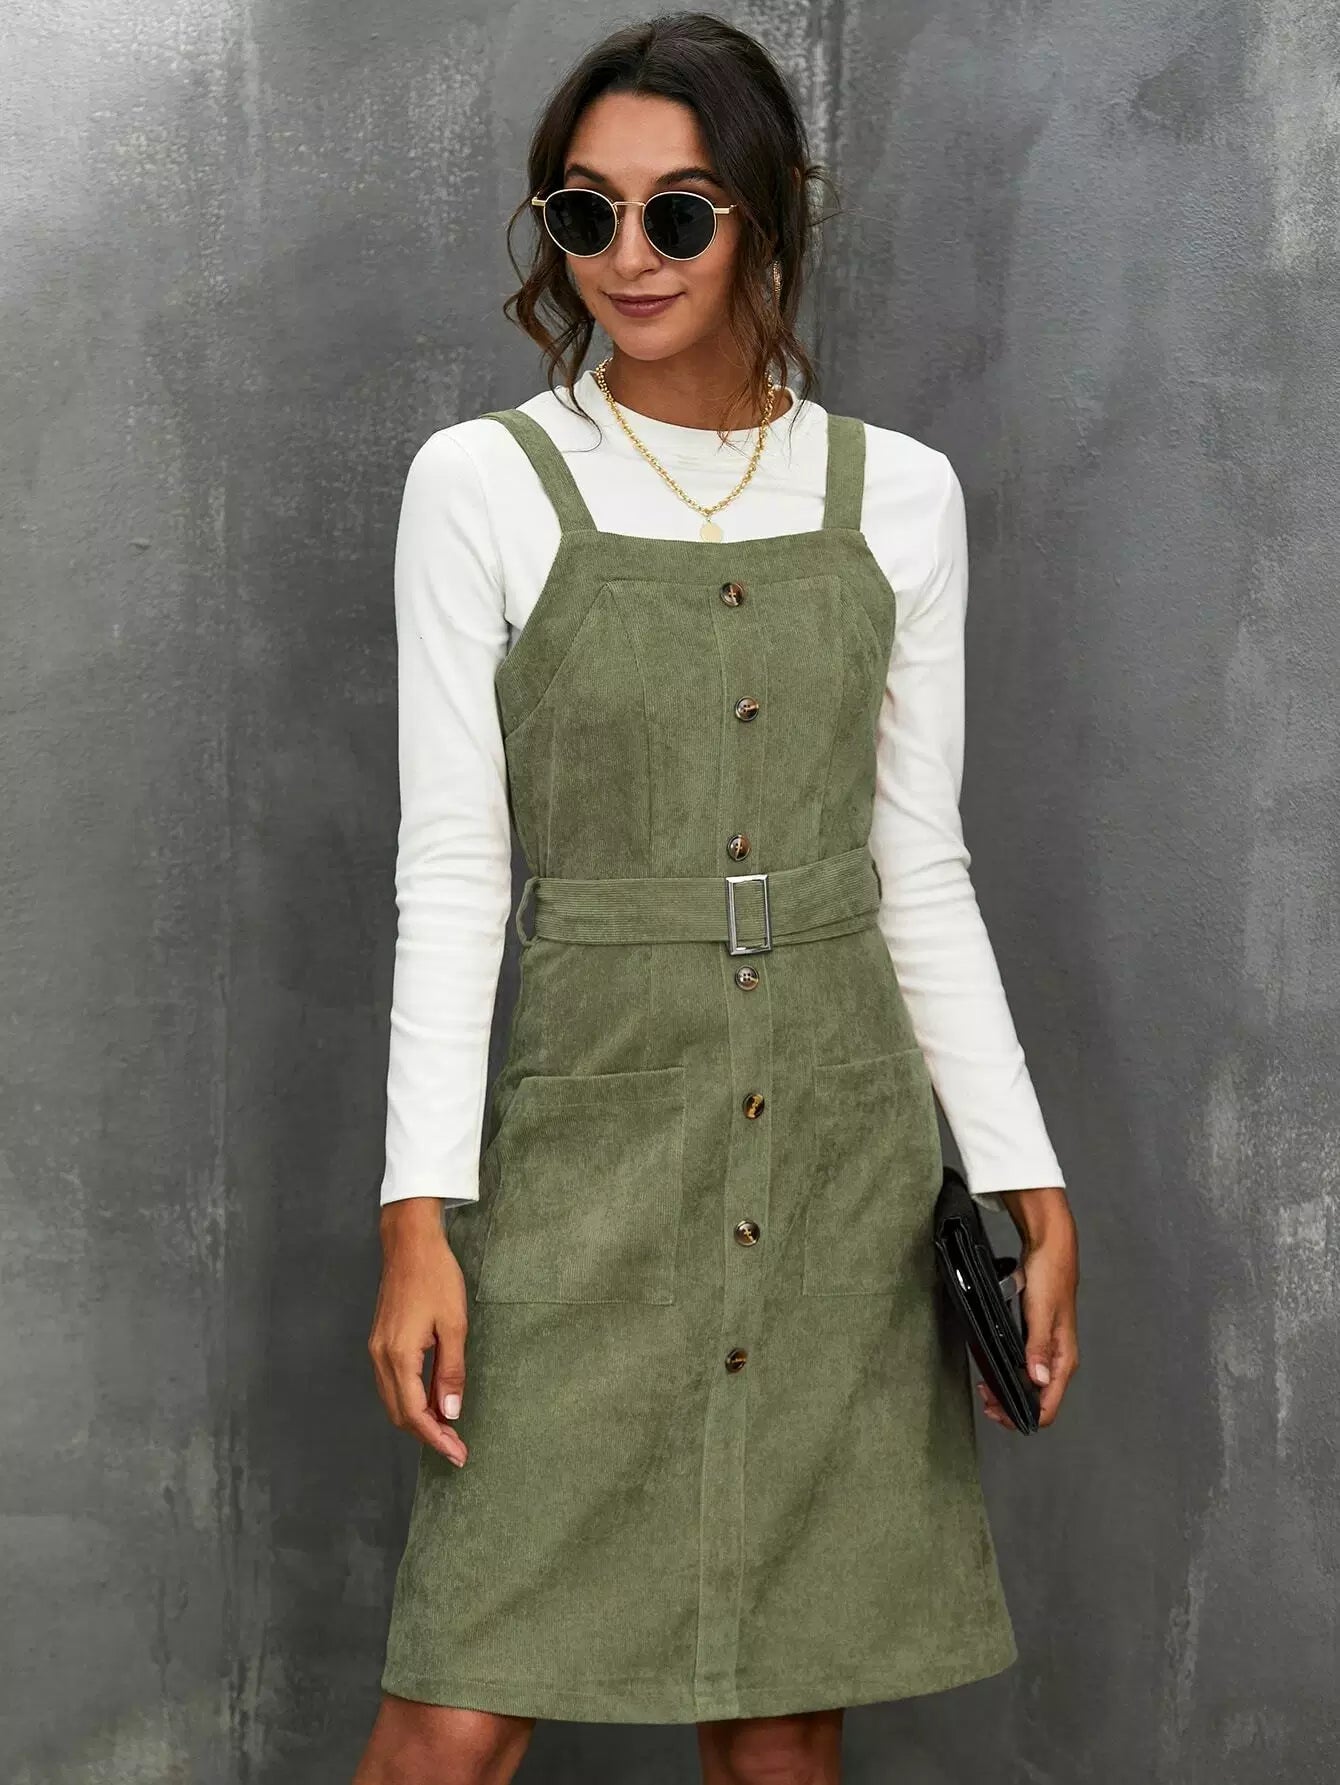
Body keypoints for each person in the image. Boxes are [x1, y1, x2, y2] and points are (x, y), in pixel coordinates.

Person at [354, 13, 1080, 1784]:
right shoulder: (482, 483)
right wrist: (419, 1213)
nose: (627, 256)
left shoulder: (902, 496)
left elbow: (918, 863)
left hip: (839, 1152)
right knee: (452, 1723)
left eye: (676, 213)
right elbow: (454, 868)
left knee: (779, 1726)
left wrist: (1023, 1170)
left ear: (765, 212)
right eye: (583, 213)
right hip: (590, 1142)